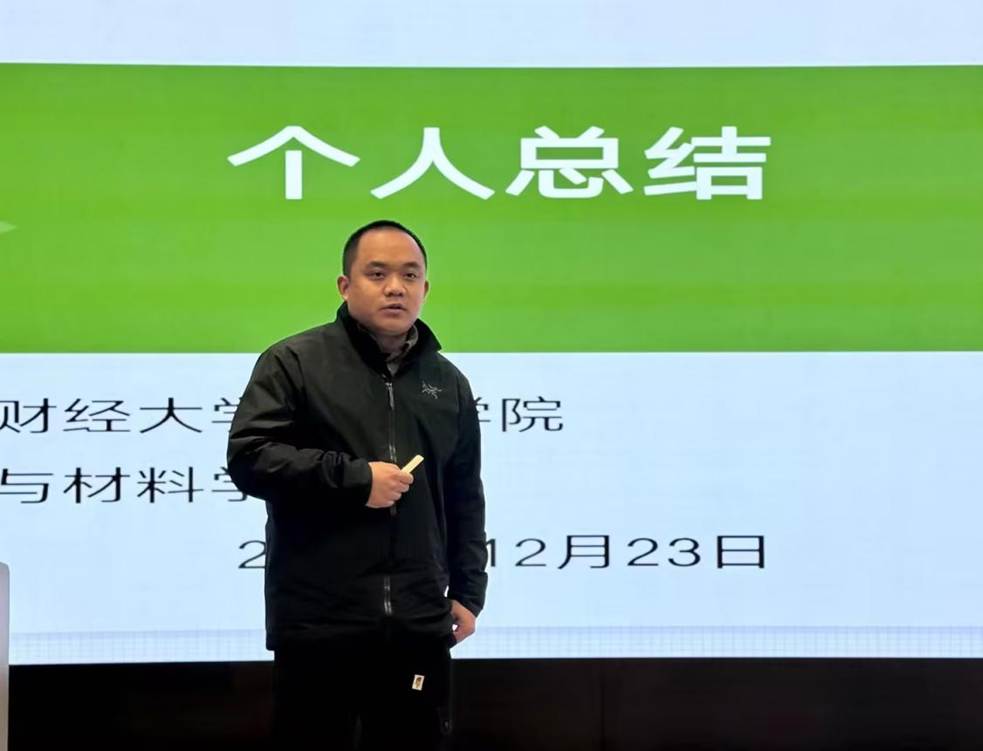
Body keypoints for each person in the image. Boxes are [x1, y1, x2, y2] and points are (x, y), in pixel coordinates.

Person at [226, 219, 488, 750]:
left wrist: (468, 592)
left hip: (418, 624)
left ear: (425, 288)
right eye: (377, 273)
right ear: (345, 286)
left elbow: (464, 494)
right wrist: (355, 479)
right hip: (320, 622)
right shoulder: (295, 362)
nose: (396, 287)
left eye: (410, 275)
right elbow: (250, 457)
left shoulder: (447, 383)